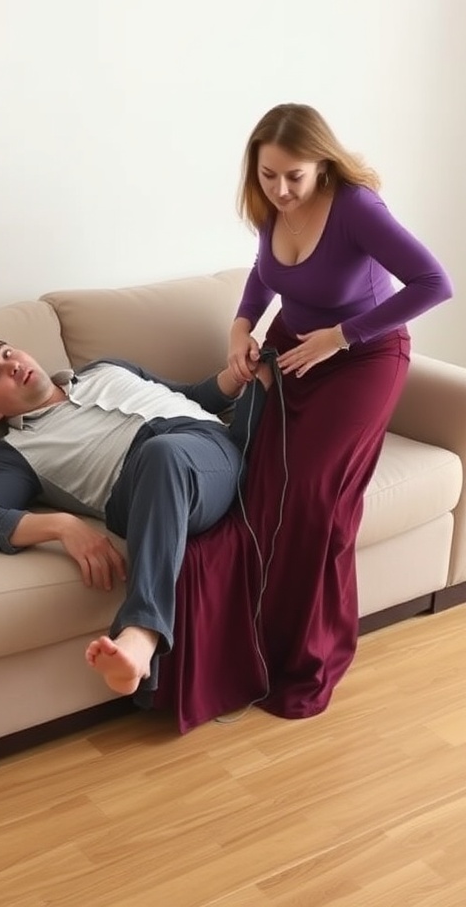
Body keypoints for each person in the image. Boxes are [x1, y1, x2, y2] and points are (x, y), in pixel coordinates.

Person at [151, 103, 453, 732]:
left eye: (295, 177)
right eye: (268, 177)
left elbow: (433, 282)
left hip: (364, 358)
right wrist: (241, 330)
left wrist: (341, 337)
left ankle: (312, 658)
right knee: (263, 494)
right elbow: (262, 284)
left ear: (323, 163)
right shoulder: (269, 208)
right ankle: (251, 654)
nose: (282, 191)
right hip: (293, 355)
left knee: (316, 500)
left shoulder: (357, 208)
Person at [0, 335, 272, 698]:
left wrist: (236, 375)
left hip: (213, 447)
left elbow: (191, 395)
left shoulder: (107, 367)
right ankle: (141, 634)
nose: (11, 365)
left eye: (7, 352)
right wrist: (62, 525)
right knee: (162, 453)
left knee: (276, 352)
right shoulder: (17, 453)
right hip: (150, 480)